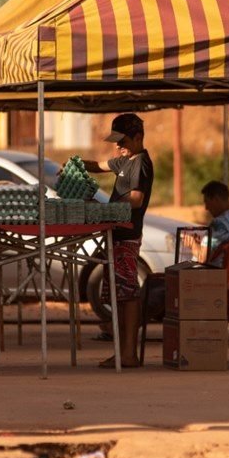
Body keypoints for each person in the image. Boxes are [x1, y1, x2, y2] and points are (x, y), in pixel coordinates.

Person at [82, 113, 154, 368]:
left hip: (128, 236)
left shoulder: (141, 163)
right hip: (116, 235)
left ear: (138, 137)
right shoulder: (124, 160)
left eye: (122, 141)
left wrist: (106, 209)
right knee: (117, 296)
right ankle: (122, 351)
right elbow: (99, 165)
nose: (118, 146)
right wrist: (77, 164)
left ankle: (129, 354)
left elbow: (136, 199)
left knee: (128, 294)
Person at [184, 181, 229, 260]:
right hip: (228, 271)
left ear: (216, 199)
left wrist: (193, 244)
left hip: (210, 271)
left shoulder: (218, 223)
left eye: (207, 202)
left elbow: (202, 258)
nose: (206, 208)